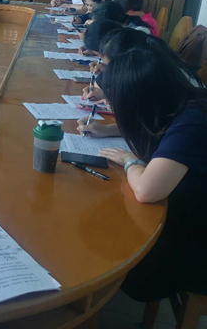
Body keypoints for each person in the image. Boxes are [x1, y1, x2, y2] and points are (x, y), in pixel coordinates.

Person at [77, 46, 207, 303]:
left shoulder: (194, 122)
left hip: (196, 241)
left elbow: (148, 191)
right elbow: (157, 126)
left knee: (116, 253)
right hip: (187, 209)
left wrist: (130, 161)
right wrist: (106, 130)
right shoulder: (179, 103)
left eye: (117, 104)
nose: (112, 107)